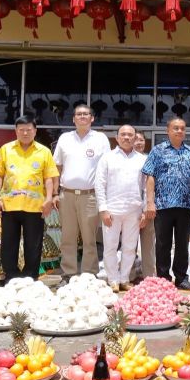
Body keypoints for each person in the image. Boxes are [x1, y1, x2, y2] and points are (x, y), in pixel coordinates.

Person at [0, 115, 59, 282]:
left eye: (28, 130)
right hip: (9, 205)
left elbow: (49, 177)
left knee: (34, 244)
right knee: (9, 244)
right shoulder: (6, 149)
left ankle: (30, 277)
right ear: (16, 131)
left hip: (35, 206)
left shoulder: (44, 151)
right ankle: (11, 277)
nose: (25, 133)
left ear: (35, 131)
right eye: (21, 130)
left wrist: (49, 198)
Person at [52, 104, 111, 279]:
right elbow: (57, 167)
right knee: (67, 237)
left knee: (89, 239)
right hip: (67, 195)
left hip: (90, 196)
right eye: (79, 114)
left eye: (86, 114)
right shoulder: (65, 138)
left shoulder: (100, 139)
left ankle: (89, 274)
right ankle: (68, 273)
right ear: (73, 118)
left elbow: (107, 168)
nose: (82, 117)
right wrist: (55, 193)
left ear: (92, 118)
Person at [142, 117, 190, 290]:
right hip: (163, 205)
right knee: (162, 243)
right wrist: (150, 203)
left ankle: (181, 278)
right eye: (176, 128)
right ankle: (163, 279)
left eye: (182, 128)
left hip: (184, 205)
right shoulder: (157, 151)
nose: (179, 131)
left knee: (182, 243)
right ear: (168, 130)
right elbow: (150, 176)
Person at [95, 125, 147, 292]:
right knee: (110, 247)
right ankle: (113, 280)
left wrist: (145, 210)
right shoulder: (107, 158)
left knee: (130, 247)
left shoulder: (142, 159)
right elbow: (100, 184)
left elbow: (146, 187)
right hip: (112, 210)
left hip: (134, 210)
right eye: (123, 135)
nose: (126, 137)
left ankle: (124, 278)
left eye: (130, 135)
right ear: (116, 138)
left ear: (135, 138)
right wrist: (103, 209)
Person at [133, 132, 155, 279]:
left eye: (141, 140)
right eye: (136, 139)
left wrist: (148, 207)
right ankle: (128, 276)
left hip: (147, 208)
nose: (138, 142)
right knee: (130, 246)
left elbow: (152, 186)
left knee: (148, 246)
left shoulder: (150, 159)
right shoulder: (122, 160)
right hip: (130, 209)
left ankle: (149, 277)